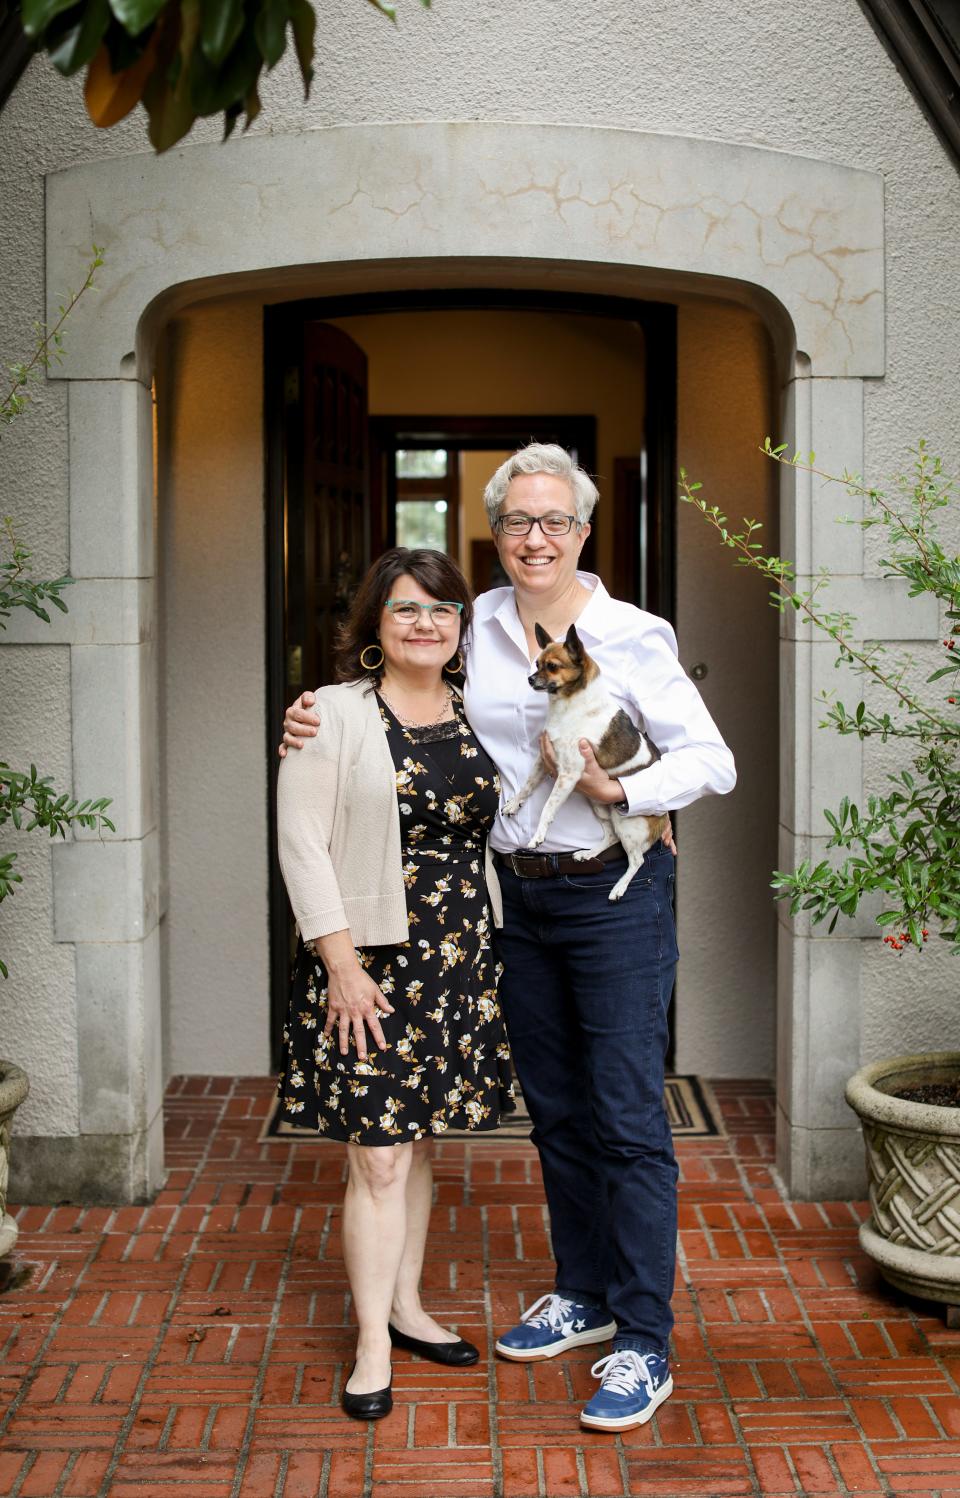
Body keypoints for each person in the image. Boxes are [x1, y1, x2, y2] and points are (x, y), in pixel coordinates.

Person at [283, 445, 735, 1432]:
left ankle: (643, 1341)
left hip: (615, 899)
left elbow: (713, 759)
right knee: (558, 1110)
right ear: (496, 532)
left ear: (584, 530)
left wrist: (627, 790)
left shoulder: (632, 632)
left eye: (557, 521)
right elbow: (402, 691)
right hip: (514, 905)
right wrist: (318, 713)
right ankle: (582, 1290)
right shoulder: (474, 621)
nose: (539, 538)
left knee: (625, 1116)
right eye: (519, 522)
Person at [276, 547, 515, 1422]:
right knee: (375, 1153)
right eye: (407, 609)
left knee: (417, 1144)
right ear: (376, 623)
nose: (426, 624)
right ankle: (372, 1341)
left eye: (443, 611)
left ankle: (409, 1308)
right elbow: (301, 843)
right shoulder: (330, 715)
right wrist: (339, 965)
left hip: (461, 958)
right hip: (367, 962)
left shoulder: (481, 709)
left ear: (462, 629)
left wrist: (652, 809)